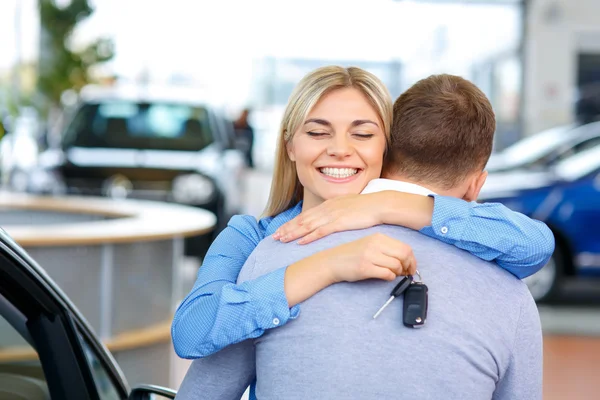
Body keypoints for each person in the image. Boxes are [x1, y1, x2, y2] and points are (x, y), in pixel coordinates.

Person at [175, 74, 543, 400]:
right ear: (290, 145)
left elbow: (534, 244)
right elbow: (192, 331)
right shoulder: (254, 242)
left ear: (386, 147)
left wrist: (386, 205)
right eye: (317, 132)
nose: (339, 148)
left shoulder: (407, 224)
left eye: (363, 133)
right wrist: (328, 266)